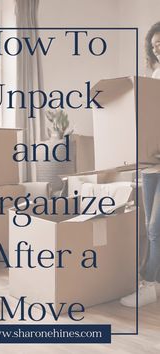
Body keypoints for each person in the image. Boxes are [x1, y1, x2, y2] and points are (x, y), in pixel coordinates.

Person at [121, 22, 160, 307]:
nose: (158, 49)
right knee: (149, 227)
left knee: (156, 227)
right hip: (150, 164)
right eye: (155, 46)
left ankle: (152, 284)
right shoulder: (154, 76)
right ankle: (150, 278)